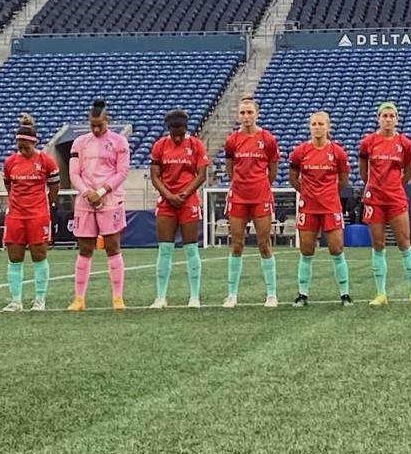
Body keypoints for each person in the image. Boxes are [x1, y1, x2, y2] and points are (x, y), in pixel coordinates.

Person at [67, 99, 131, 312]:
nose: (95, 129)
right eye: (92, 124)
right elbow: (74, 173)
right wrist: (87, 193)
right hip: (85, 200)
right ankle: (79, 298)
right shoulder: (79, 143)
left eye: (99, 125)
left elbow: (122, 171)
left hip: (110, 200)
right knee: (85, 248)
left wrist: (102, 191)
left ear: (107, 121)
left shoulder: (119, 141)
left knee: (112, 246)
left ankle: (117, 297)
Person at [359, 102, 411, 307]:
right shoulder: (369, 142)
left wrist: (396, 185)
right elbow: (363, 169)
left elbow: (409, 169)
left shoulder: (404, 144)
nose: (388, 119)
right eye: (384, 116)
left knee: (404, 243)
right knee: (378, 245)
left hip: (395, 198)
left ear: (397, 119)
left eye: (391, 116)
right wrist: (372, 186)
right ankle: (381, 293)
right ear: (378, 118)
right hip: (375, 199)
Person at [288, 111, 353, 307]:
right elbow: (293, 177)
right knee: (306, 251)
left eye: (321, 124)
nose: (317, 127)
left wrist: (329, 194)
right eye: (314, 124)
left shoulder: (337, 152)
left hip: (330, 207)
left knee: (337, 249)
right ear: (309, 126)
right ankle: (302, 294)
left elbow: (343, 180)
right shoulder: (300, 152)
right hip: (308, 208)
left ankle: (345, 294)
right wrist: (307, 193)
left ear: (328, 127)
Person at [223, 95, 280, 309]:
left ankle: (272, 294)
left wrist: (261, 184)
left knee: (264, 244)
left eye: (249, 112)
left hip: (261, 197)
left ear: (257, 114)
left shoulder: (267, 139)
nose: (246, 116)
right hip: (238, 196)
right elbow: (229, 167)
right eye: (242, 113)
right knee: (237, 245)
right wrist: (238, 183)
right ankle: (232, 295)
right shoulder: (232, 140)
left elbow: (272, 169)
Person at [149, 109, 209, 310]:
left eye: (180, 130)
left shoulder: (196, 145)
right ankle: (161, 296)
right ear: (168, 128)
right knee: (165, 249)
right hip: (167, 202)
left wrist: (184, 194)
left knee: (191, 248)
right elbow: (155, 175)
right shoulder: (160, 146)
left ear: (186, 128)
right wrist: (169, 195)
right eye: (173, 130)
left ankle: (194, 296)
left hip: (188, 202)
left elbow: (201, 175)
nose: (177, 134)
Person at [1, 114, 60, 312]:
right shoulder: (10, 163)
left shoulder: (46, 161)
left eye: (26, 147)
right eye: (19, 147)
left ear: (34, 144)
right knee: (15, 257)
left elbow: (54, 186)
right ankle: (16, 300)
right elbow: (9, 185)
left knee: (39, 255)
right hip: (16, 215)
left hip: (38, 215)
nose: (22, 150)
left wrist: (47, 206)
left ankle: (39, 299)